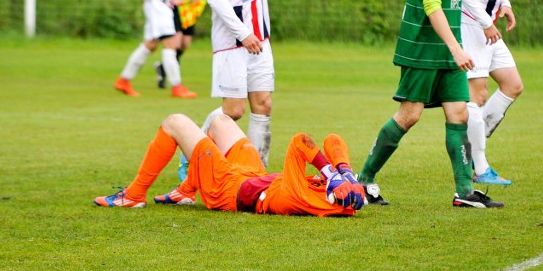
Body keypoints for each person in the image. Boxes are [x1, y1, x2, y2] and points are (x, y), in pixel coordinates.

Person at [356, 0, 504, 208]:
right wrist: (456, 47)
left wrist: (499, 5)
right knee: (409, 115)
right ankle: (363, 182)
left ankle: (464, 192)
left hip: (448, 50)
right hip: (423, 48)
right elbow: (432, 4)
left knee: (459, 112)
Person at [199, 0, 307, 168]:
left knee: (263, 105)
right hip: (232, 42)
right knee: (234, 111)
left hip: (260, 40)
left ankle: (255, 172)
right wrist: (243, 33)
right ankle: (192, 152)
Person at [93, 113, 365, 216]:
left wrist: (330, 172)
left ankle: (133, 195)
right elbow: (333, 140)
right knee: (221, 121)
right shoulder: (337, 197)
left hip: (226, 189)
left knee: (174, 122)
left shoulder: (301, 197)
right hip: (255, 176)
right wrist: (345, 173)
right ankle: (187, 190)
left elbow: (300, 142)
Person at [460, 0, 535, 185]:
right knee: (477, 97)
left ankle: (472, 145)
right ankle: (478, 167)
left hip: (487, 22)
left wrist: (505, 5)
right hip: (473, 23)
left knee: (513, 85)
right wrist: (486, 23)